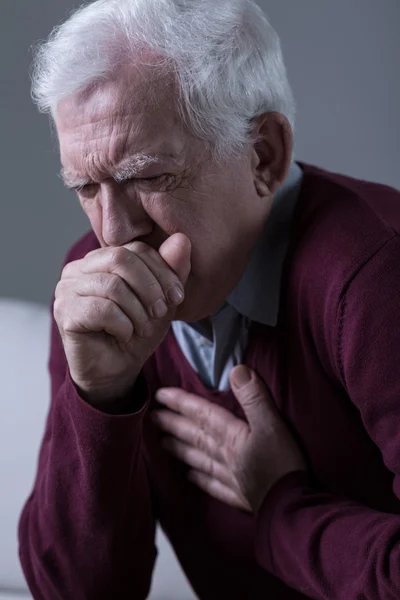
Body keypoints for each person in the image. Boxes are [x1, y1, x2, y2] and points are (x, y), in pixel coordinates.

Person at [18, 0, 400, 598]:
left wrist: (284, 510)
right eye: (87, 187)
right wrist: (100, 399)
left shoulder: (376, 275)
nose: (113, 234)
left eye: (149, 176)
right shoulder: (92, 285)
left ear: (263, 156)